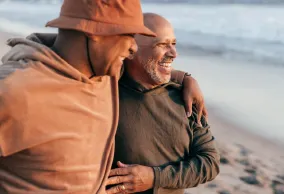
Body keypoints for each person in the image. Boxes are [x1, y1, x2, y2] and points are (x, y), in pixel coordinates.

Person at [0, 1, 205, 194]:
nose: (134, 47)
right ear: (94, 32)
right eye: (128, 35)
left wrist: (185, 78)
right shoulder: (15, 93)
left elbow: (144, 69)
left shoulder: (107, 75)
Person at [106, 13, 220, 194]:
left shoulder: (185, 99)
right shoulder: (104, 93)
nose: (174, 53)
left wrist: (155, 177)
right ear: (130, 50)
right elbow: (55, 45)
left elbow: (209, 163)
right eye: (162, 44)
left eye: (173, 44)